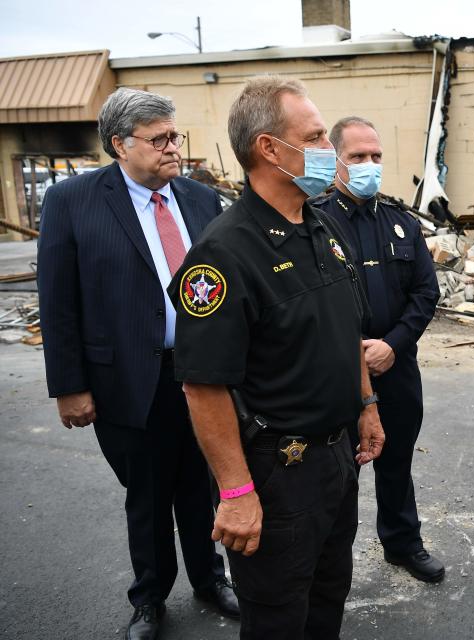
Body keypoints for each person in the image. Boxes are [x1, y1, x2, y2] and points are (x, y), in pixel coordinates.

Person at [167, 77, 385, 638]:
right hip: (277, 470)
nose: (328, 152)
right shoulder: (223, 254)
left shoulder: (320, 224)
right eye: (315, 138)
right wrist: (236, 493)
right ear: (269, 149)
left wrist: (366, 403)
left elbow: (347, 329)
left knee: (327, 596)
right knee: (277, 616)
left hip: (337, 457)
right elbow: (203, 386)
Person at [37, 88, 236, 640]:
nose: (173, 148)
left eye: (176, 136)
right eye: (160, 140)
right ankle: (149, 599)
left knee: (204, 483)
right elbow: (57, 301)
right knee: (147, 494)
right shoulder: (73, 200)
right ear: (120, 145)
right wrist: (69, 386)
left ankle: (210, 579)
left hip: (201, 373)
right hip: (127, 378)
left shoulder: (200, 200)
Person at [317, 116, 443, 582]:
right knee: (337, 474)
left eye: (375, 157)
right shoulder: (315, 222)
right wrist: (355, 353)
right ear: (335, 162)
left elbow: (425, 293)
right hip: (339, 376)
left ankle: (402, 543)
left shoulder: (401, 223)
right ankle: (331, 562)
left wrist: (393, 345)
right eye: (357, 157)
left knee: (397, 462)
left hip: (397, 369)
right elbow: (314, 303)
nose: (369, 165)